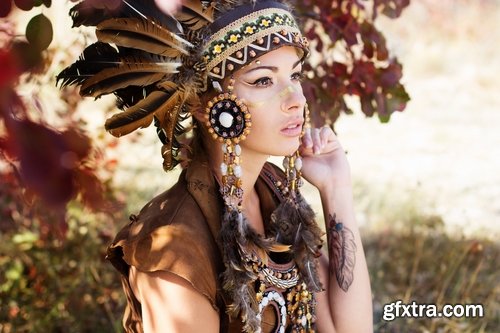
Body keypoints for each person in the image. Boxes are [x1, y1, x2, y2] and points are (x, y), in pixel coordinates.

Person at [58, 0, 373, 332]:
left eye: (294, 75)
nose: (296, 98)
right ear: (201, 103)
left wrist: (336, 190)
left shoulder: (274, 191)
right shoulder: (174, 249)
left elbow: (350, 328)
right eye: (264, 80)